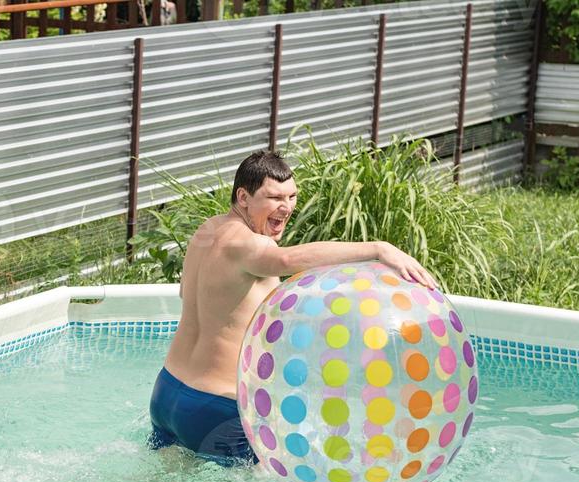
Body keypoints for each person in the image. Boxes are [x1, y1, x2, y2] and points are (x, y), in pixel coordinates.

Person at [148, 149, 439, 465]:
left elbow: (193, 299)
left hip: (167, 392)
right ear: (243, 197)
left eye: (292, 196)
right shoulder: (251, 244)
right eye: (274, 198)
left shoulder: (207, 231)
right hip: (216, 406)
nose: (285, 208)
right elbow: (285, 260)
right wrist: (378, 249)